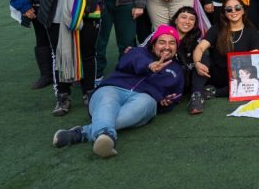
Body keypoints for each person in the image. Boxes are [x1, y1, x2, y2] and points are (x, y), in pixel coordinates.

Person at [52, 24, 184, 158]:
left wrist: (166, 104)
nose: (167, 47)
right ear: (153, 44)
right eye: (162, 42)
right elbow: (128, 62)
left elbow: (175, 96)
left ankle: (85, 132)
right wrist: (149, 66)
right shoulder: (137, 52)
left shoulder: (177, 70)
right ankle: (101, 135)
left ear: (176, 47)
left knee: (144, 105)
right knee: (107, 101)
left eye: (172, 43)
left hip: (143, 98)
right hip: (114, 88)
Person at [189, 0, 259, 114]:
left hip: (237, 77)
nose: (233, 11)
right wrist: (197, 63)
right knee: (203, 57)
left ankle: (213, 92)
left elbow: (254, 58)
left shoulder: (252, 32)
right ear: (224, 13)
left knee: (255, 80)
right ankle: (196, 96)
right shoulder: (217, 29)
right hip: (217, 74)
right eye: (229, 9)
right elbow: (200, 47)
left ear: (243, 10)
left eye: (237, 8)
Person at [169, 7, 200, 95]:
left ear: (194, 24)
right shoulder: (163, 35)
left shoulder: (197, 41)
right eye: (183, 17)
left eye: (191, 19)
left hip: (185, 82)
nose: (187, 21)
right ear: (175, 20)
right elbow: (144, 49)